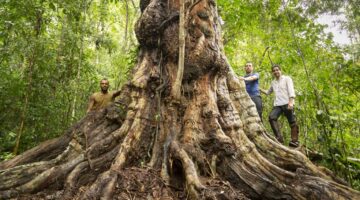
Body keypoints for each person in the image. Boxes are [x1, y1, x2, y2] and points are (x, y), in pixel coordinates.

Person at [261, 64, 299, 147]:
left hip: (287, 103)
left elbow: (291, 90)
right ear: (272, 73)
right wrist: (259, 89)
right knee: (272, 118)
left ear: (280, 71)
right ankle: (279, 138)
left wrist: (291, 102)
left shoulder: (287, 79)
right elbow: (268, 92)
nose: (275, 72)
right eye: (274, 71)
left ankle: (294, 141)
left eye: (277, 70)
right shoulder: (273, 82)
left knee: (292, 122)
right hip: (278, 105)